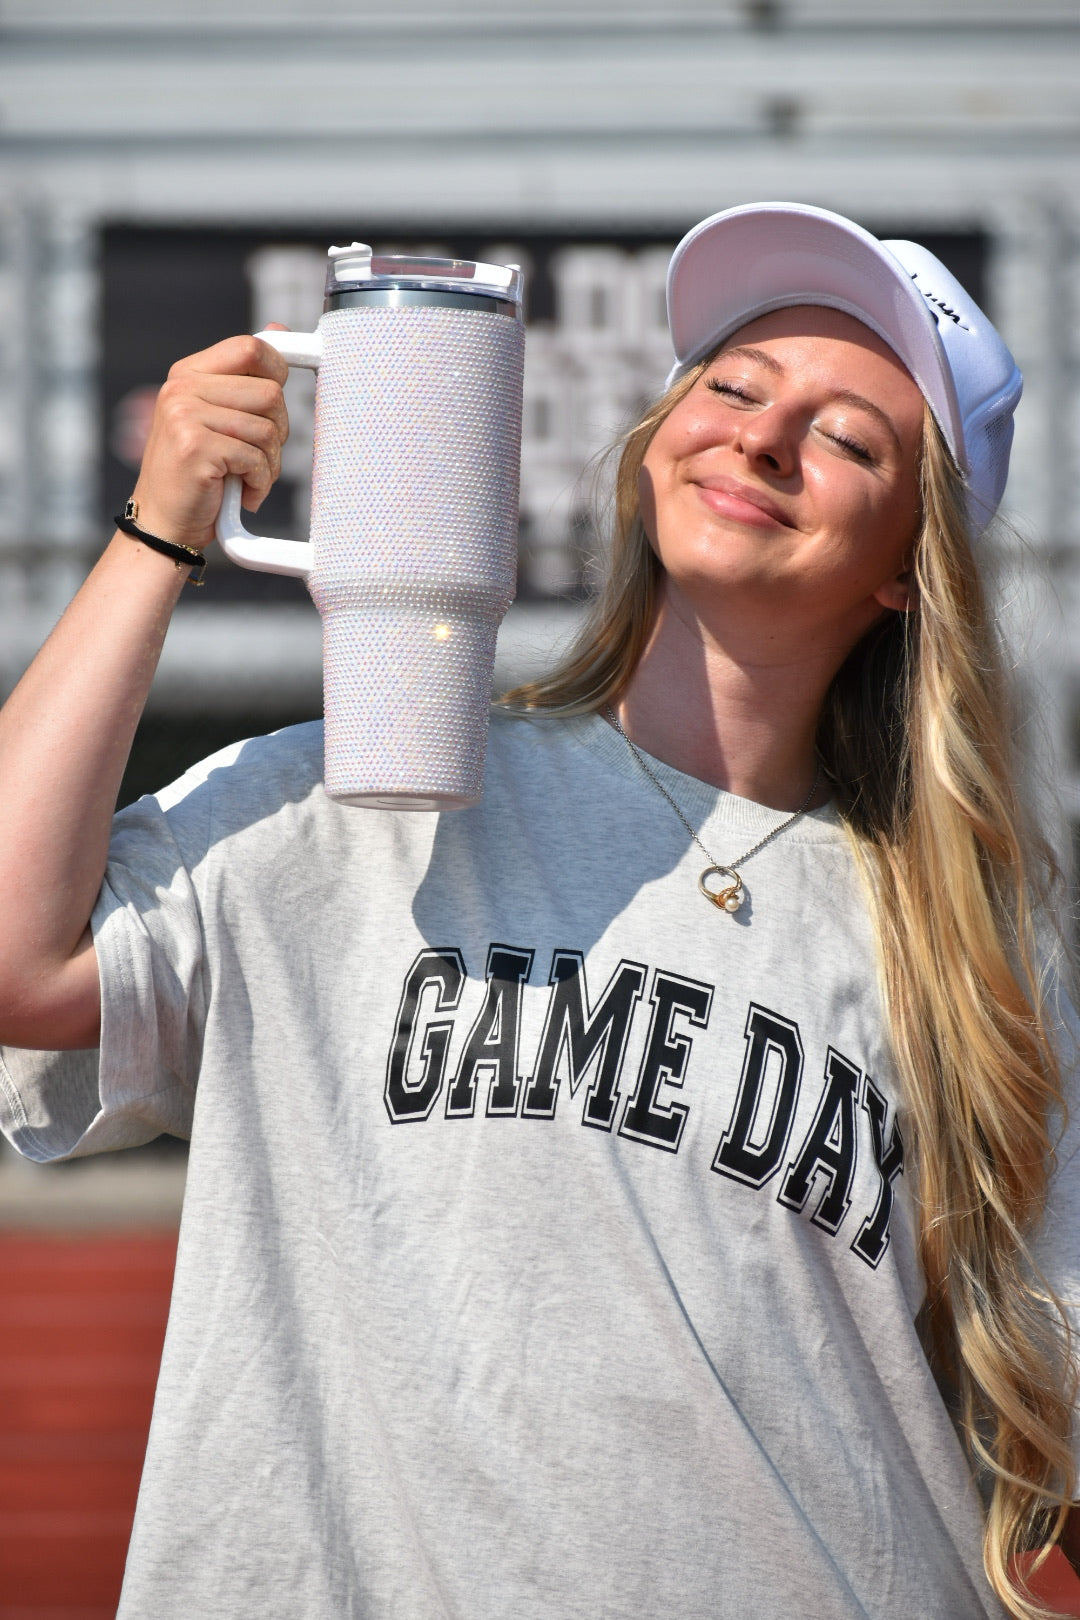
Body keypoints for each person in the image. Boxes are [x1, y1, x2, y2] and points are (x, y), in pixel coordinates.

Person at [0, 201, 1075, 1620]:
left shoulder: (975, 951)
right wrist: (160, 531)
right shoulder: (370, 795)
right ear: (654, 446)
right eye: (735, 386)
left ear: (902, 570)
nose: (761, 437)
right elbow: (21, 965)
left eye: (847, 438)